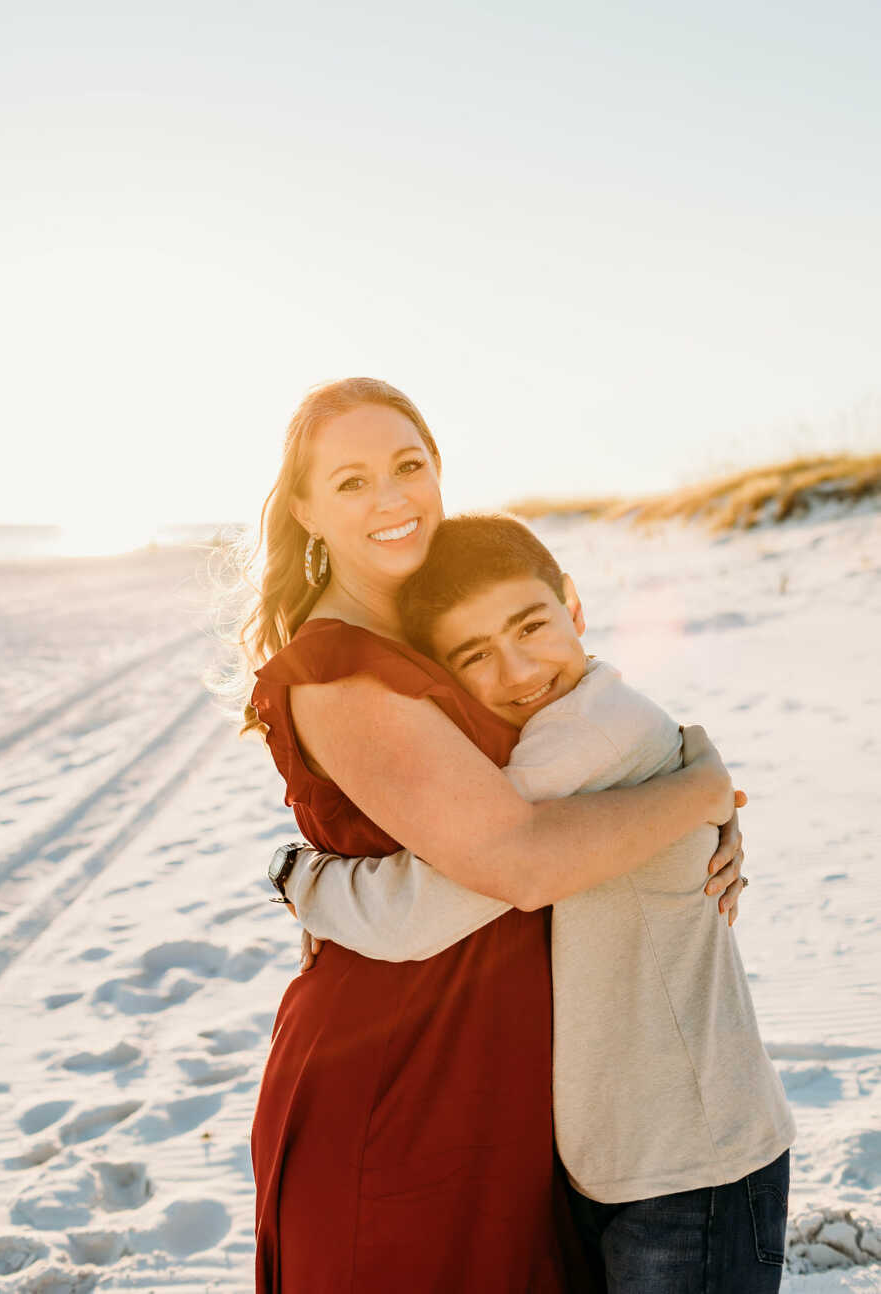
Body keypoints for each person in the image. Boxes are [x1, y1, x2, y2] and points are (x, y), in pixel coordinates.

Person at [239, 376, 746, 1293]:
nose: (391, 498)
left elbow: (577, 742)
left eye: (408, 465)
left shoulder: (440, 623)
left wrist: (684, 772)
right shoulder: (340, 669)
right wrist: (702, 791)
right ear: (305, 509)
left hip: (513, 1061)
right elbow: (518, 859)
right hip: (402, 1063)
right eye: (350, 482)